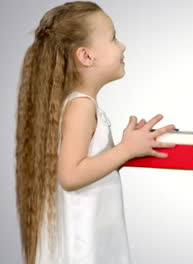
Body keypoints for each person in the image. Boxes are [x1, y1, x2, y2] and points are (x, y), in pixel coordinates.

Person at [15, 2, 175, 263]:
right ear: (86, 56)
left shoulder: (75, 105)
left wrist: (125, 152)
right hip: (83, 246)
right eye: (113, 38)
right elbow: (70, 175)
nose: (122, 45)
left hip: (88, 239)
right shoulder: (81, 106)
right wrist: (125, 150)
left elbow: (86, 168)